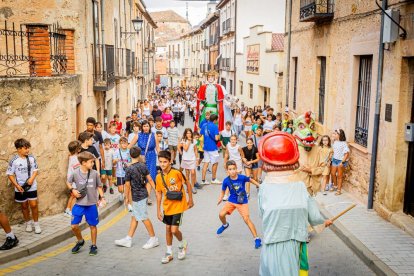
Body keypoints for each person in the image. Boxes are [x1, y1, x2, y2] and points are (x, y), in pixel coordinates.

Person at [257, 131, 332, 276]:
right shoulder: (300, 186)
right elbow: (314, 216)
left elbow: (262, 212)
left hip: (272, 240)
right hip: (294, 242)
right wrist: (324, 222)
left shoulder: (265, 187)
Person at [115, 147, 159, 249]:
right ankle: (128, 239)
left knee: (143, 217)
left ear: (130, 155)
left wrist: (126, 197)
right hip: (143, 194)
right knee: (135, 217)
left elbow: (127, 185)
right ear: (139, 155)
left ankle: (153, 239)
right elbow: (150, 180)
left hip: (137, 196)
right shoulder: (143, 166)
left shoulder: (129, 169)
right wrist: (156, 190)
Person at [155, 150, 194, 264]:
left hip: (179, 205)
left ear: (170, 161)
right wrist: (158, 210)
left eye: (165, 162)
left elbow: (187, 183)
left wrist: (190, 199)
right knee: (167, 229)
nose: (162, 164)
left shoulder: (177, 172)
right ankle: (169, 252)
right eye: (160, 162)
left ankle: (182, 244)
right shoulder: (158, 177)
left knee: (174, 229)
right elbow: (158, 193)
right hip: (167, 206)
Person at [216, 160, 261, 249]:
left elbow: (250, 180)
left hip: (242, 201)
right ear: (227, 171)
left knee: (246, 219)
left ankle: (257, 238)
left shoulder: (242, 177)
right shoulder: (226, 180)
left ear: (236, 169)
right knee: (221, 214)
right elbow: (223, 191)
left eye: (234, 169)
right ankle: (225, 225)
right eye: (230, 169)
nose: (232, 171)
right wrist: (220, 198)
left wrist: (260, 186)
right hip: (231, 201)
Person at [68, 151, 106, 256]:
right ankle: (80, 241)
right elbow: (68, 182)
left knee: (92, 225)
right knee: (74, 226)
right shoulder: (75, 172)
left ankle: (93, 245)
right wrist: (72, 190)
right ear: (84, 163)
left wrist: (102, 197)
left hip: (91, 204)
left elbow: (99, 186)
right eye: (91, 162)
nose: (93, 164)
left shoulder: (94, 174)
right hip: (79, 204)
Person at [7, 138, 41, 234]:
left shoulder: (31, 158)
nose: (28, 150)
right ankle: (28, 223)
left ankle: (36, 223)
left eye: (28, 148)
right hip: (20, 187)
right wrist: (17, 185)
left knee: (34, 205)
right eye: (25, 148)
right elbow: (10, 174)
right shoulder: (14, 161)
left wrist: (31, 179)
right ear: (19, 149)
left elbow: (36, 170)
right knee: (24, 206)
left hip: (32, 185)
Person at [200, 114, 221, 185]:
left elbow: (201, 134)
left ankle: (203, 180)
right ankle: (214, 179)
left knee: (206, 162)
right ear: (215, 120)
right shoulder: (215, 127)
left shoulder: (204, 125)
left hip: (206, 146)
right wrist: (219, 135)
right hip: (212, 147)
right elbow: (216, 138)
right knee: (215, 162)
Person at [178, 128, 199, 193]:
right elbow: (185, 149)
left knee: (192, 172)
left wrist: (197, 158)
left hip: (192, 159)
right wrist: (180, 152)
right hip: (185, 159)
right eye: (187, 133)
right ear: (185, 134)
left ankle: (192, 187)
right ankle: (188, 187)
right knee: (187, 174)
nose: (189, 134)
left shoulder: (194, 140)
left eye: (190, 133)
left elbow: (195, 150)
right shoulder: (183, 140)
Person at [331, 129, 350, 196]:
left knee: (339, 176)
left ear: (339, 135)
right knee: (333, 173)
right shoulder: (335, 142)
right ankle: (335, 186)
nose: (334, 135)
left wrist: (342, 162)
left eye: (335, 134)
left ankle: (339, 190)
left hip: (340, 161)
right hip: (334, 160)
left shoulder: (344, 143)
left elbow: (347, 154)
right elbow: (334, 150)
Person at [65, 140, 81, 217]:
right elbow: (77, 169)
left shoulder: (71, 157)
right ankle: (71, 211)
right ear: (77, 149)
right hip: (74, 180)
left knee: (72, 196)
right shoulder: (76, 158)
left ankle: (67, 209)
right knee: (74, 196)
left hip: (70, 179)